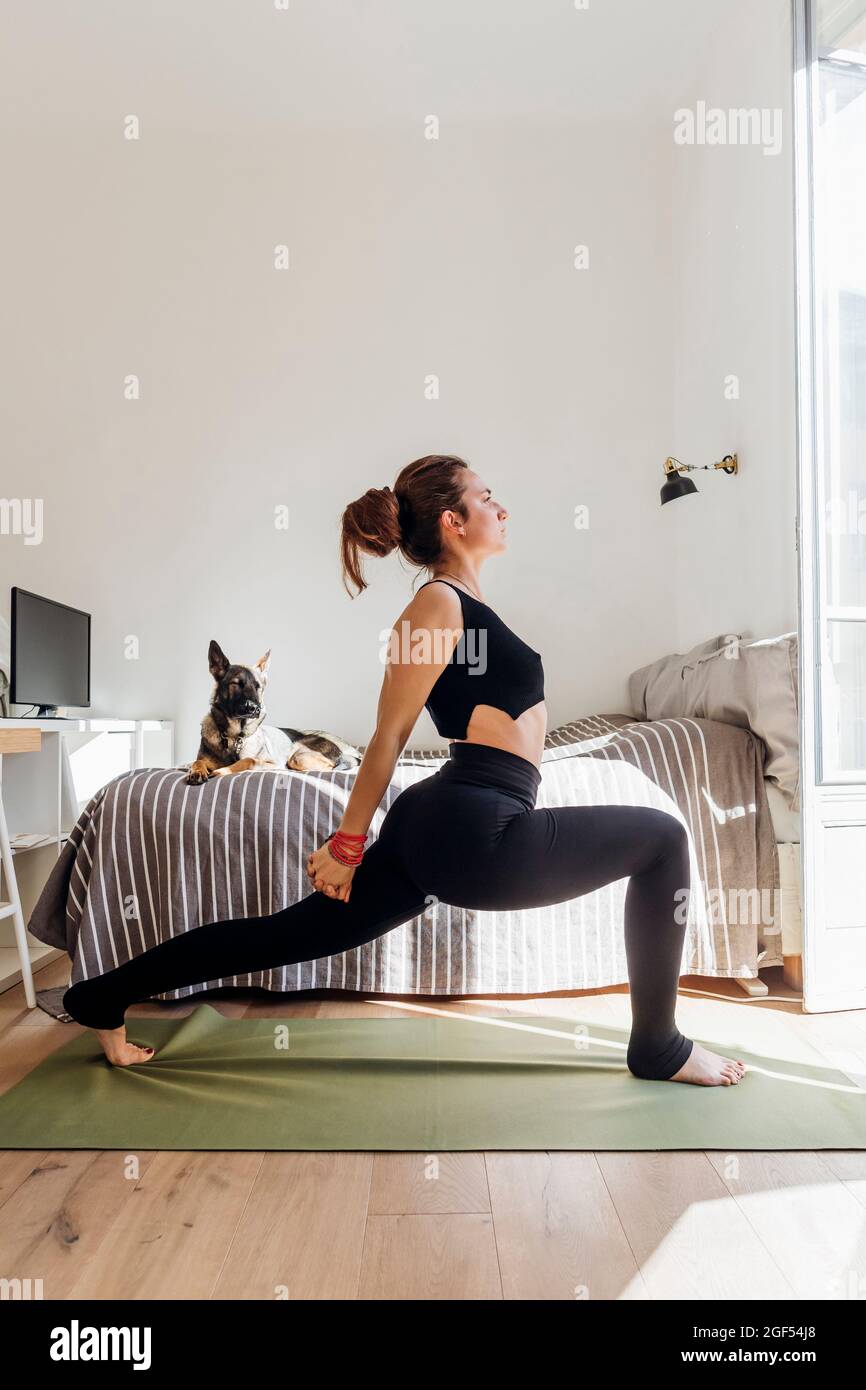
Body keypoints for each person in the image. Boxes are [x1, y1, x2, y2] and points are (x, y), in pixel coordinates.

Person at [63, 453, 745, 1086]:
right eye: (486, 497)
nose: (500, 507)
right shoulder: (436, 604)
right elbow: (389, 735)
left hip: (453, 816)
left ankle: (99, 998)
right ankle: (658, 1045)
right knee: (663, 840)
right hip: (474, 827)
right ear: (453, 521)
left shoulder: (465, 606)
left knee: (282, 936)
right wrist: (346, 844)